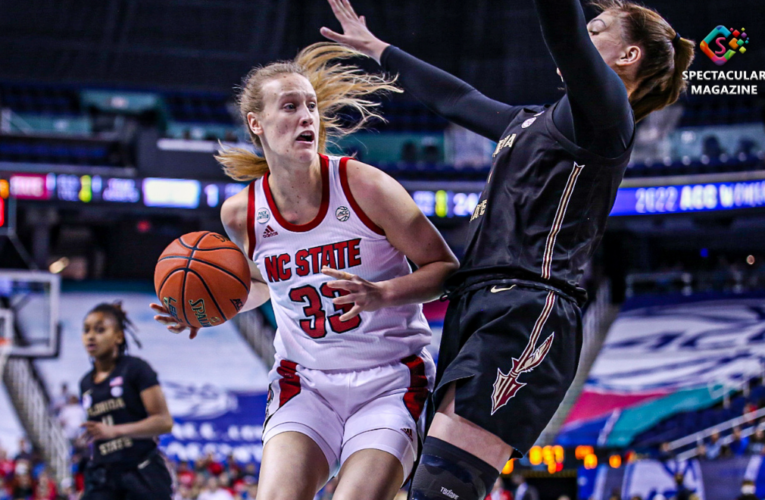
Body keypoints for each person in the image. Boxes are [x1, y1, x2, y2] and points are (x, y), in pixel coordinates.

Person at [321, 0, 695, 498]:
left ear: (627, 56)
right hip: (477, 305)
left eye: (597, 30)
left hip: (527, 310)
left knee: (440, 493)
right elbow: (457, 97)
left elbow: (562, 30)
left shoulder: (606, 115)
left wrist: (570, 26)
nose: (584, 36)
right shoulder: (532, 122)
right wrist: (380, 49)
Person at [151, 43, 459, 500]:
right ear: (256, 123)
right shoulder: (241, 214)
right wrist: (214, 307)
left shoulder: (364, 185)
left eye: (312, 106)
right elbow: (260, 285)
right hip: (306, 381)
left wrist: (383, 293)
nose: (307, 117)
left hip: (390, 379)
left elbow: (446, 269)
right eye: (291, 106)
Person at [79, 302, 174, 500]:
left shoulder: (135, 368)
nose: (90, 336)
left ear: (119, 336)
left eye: (100, 330)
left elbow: (164, 422)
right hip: (103, 476)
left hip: (142, 473)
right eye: (86, 330)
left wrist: (114, 431)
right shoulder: (85, 382)